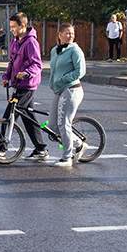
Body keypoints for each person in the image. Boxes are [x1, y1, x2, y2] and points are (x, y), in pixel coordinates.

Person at [0, 12, 48, 160]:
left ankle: (0, 148)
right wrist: (6, 77)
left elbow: (37, 64)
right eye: (11, 27)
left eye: (14, 27)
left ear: (23, 26)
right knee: (28, 117)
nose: (12, 30)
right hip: (18, 84)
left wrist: (26, 73)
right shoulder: (15, 41)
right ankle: (41, 148)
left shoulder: (31, 42)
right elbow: (12, 62)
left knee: (9, 115)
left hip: (28, 84)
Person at [48, 24, 86, 167]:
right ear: (59, 34)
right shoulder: (54, 51)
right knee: (52, 126)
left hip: (72, 89)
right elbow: (53, 70)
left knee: (64, 123)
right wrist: (52, 84)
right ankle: (78, 143)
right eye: (67, 33)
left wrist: (63, 79)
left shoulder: (75, 50)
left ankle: (67, 157)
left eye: (72, 33)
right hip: (59, 90)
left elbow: (80, 72)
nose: (70, 35)